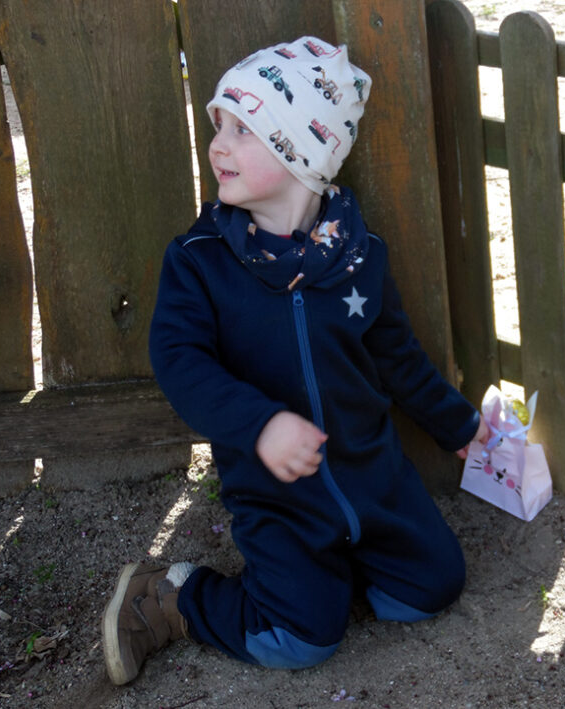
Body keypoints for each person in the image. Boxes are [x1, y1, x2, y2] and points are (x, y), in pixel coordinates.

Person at [101, 36, 488, 685]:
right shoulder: (200, 262)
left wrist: (460, 427)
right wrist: (260, 425)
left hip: (373, 479)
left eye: (243, 130)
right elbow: (179, 360)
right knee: (298, 638)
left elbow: (397, 356)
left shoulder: (361, 255)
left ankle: (337, 568)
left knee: (431, 588)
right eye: (218, 126)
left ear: (302, 153)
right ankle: (170, 596)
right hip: (278, 498)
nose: (218, 145)